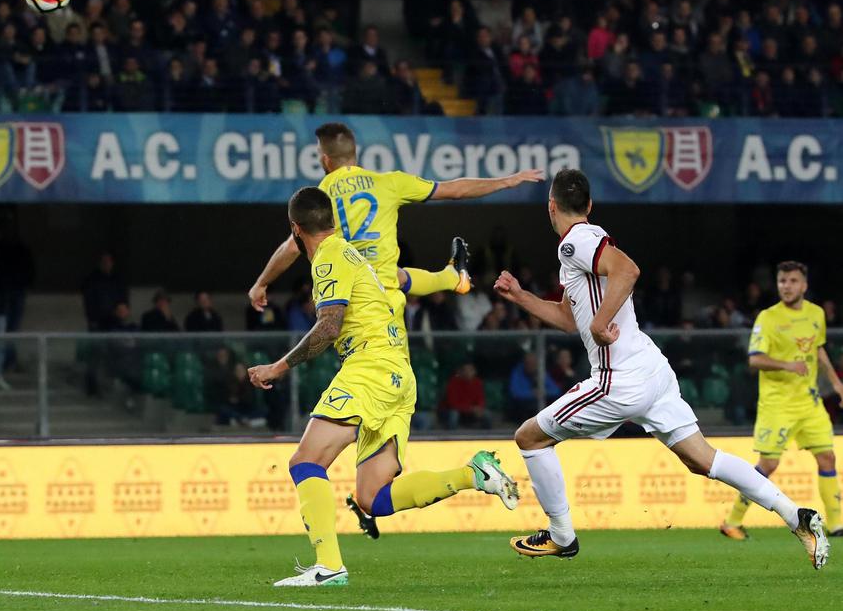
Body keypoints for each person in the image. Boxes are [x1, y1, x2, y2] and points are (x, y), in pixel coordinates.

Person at [493, 168, 829, 568]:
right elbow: (569, 318)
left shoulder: (576, 242)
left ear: (551, 206)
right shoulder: (580, 248)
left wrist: (601, 323)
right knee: (704, 460)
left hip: (618, 380)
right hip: (650, 370)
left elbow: (628, 270)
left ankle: (562, 535)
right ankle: (799, 517)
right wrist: (520, 296)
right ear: (589, 204)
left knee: (529, 438)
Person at [247, 187, 518, 587]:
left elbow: (329, 326)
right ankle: (472, 474)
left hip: (369, 367)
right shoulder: (355, 254)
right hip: (397, 373)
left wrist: (279, 367)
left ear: (295, 228)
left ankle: (328, 566)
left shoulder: (329, 258)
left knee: (306, 461)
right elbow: (404, 282)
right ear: (334, 222)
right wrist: (450, 277)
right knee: (373, 497)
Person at [249, 122, 543, 340]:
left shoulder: (321, 195)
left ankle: (452, 278)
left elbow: (291, 247)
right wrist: (507, 181)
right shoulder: (389, 182)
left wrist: (261, 283)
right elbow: (455, 189)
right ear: (355, 153)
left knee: (381, 384)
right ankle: (453, 278)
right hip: (384, 286)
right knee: (395, 275)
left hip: (356, 299)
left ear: (325, 159)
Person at [721, 261, 843, 540]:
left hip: (809, 403)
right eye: (782, 281)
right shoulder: (768, 318)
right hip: (778, 405)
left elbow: (818, 348)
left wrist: (837, 384)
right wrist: (788, 365)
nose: (786, 286)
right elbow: (755, 360)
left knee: (827, 457)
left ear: (804, 285)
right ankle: (732, 521)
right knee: (768, 465)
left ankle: (836, 526)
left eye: (792, 281)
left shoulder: (816, 314)